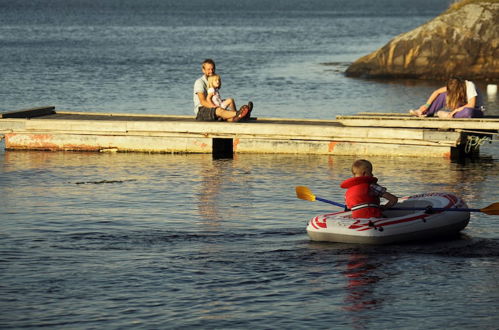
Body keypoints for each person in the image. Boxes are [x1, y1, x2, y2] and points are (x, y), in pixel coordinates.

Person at [409, 77, 485, 118]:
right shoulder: (453, 86)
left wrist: (454, 111)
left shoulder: (470, 86)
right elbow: (437, 92)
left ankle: (448, 115)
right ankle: (423, 112)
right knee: (443, 95)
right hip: (459, 109)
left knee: (468, 112)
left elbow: (471, 105)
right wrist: (426, 105)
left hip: (475, 110)